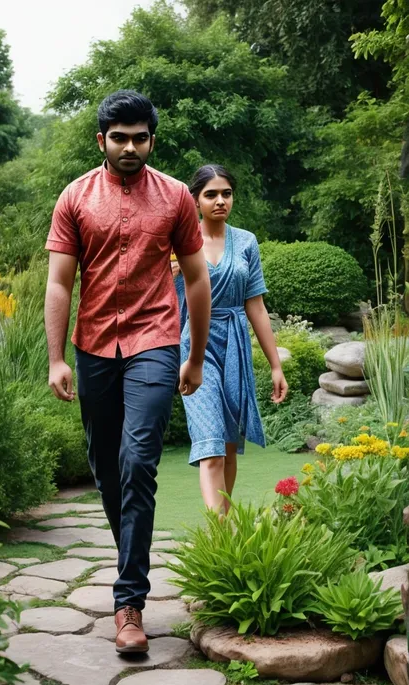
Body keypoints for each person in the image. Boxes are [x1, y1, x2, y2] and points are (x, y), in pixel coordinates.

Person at [44, 90, 211, 654]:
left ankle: (129, 602)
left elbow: (195, 279)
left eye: (140, 137)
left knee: (138, 458)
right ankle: (130, 564)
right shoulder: (75, 198)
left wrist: (193, 355)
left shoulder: (175, 199)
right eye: (120, 137)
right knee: (107, 466)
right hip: (93, 344)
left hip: (155, 341)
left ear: (151, 140)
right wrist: (56, 358)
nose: (130, 147)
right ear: (102, 141)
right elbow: (61, 282)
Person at [173, 164, 288, 513]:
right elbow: (151, 293)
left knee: (228, 446)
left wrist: (275, 365)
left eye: (226, 193)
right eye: (211, 194)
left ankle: (223, 531)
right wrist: (167, 272)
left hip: (235, 344)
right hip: (195, 345)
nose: (220, 201)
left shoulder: (246, 242)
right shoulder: (178, 241)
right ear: (195, 200)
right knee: (210, 446)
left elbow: (255, 306)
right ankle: (220, 535)